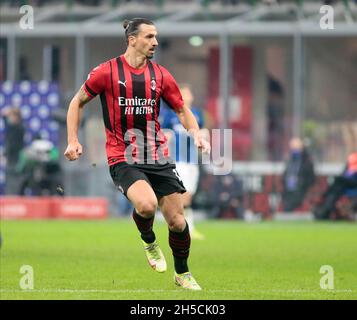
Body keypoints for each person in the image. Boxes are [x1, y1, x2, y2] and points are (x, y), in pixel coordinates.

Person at [64, 18, 210, 291]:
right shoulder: (106, 72)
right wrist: (73, 140)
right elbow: (77, 102)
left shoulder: (161, 75)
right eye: (149, 36)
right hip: (123, 155)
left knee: (178, 222)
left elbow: (180, 109)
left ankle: (183, 273)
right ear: (132, 39)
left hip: (157, 154)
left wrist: (197, 133)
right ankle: (149, 239)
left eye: (156, 37)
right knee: (146, 205)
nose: (155, 42)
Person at [160, 84, 206, 240]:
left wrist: (204, 137)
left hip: (192, 161)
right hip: (177, 160)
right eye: (184, 93)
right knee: (183, 196)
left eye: (188, 93)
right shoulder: (170, 114)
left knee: (188, 197)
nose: (187, 96)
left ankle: (187, 227)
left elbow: (202, 132)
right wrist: (166, 136)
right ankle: (184, 228)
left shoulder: (198, 114)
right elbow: (162, 132)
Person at [313, 151, 357, 220]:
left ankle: (326, 206)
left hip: (353, 182)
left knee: (338, 181)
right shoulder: (352, 156)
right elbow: (345, 171)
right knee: (337, 184)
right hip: (346, 183)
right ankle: (327, 206)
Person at [281, 137, 315, 212]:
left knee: (290, 204)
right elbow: (285, 174)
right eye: (292, 147)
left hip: (301, 189)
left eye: (296, 147)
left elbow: (311, 177)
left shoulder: (307, 160)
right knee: (286, 201)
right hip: (288, 188)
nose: (294, 149)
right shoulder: (289, 159)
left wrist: (302, 184)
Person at [2, 107, 25, 195]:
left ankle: (14, 199)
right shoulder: (14, 127)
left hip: (16, 159)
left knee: (14, 182)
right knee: (9, 180)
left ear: (16, 117)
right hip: (11, 158)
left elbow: (12, 144)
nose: (10, 119)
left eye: (11, 116)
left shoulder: (19, 128)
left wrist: (5, 116)